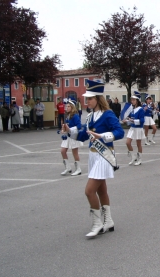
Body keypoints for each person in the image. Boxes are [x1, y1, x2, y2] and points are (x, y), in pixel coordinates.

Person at [63, 80, 124, 238]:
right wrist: (69, 130)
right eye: (86, 98)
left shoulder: (108, 114)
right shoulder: (90, 116)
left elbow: (119, 131)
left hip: (104, 156)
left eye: (90, 98)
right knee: (101, 190)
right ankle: (108, 220)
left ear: (97, 99)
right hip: (93, 155)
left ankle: (97, 224)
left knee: (89, 191)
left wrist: (103, 136)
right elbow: (83, 135)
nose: (87, 101)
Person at [60, 98, 83, 176]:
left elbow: (79, 126)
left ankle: (78, 169)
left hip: (74, 136)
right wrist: (63, 130)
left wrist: (69, 129)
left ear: (72, 107)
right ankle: (68, 168)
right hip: (68, 136)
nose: (67, 108)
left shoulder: (75, 116)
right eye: (66, 106)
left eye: (69, 106)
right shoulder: (67, 116)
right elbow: (66, 127)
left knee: (75, 153)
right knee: (63, 151)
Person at [123, 91, 145, 166]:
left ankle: (140, 159)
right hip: (132, 128)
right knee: (127, 142)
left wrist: (133, 120)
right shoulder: (132, 109)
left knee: (138, 144)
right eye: (131, 100)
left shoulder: (140, 109)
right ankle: (133, 156)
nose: (132, 101)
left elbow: (142, 121)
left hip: (138, 129)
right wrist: (126, 121)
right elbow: (131, 120)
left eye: (134, 100)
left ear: (137, 100)